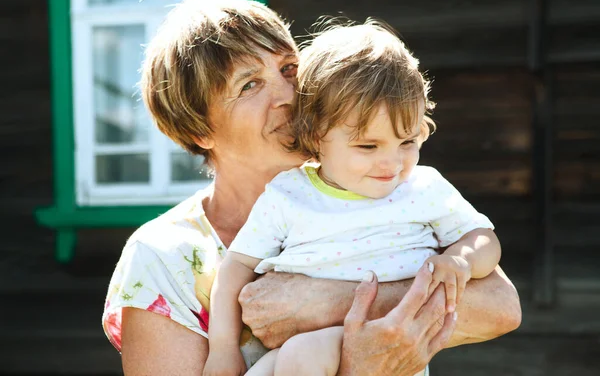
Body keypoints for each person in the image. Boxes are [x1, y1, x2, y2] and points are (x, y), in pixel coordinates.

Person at [101, 0, 522, 376]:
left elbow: (499, 308)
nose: (288, 94)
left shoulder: (384, 187)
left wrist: (332, 301)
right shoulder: (163, 257)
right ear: (199, 130)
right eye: (249, 84)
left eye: (288, 69)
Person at [203, 22, 502, 376]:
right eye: (368, 146)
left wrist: (462, 261)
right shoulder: (290, 194)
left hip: (385, 347)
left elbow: (482, 238)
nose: (392, 163)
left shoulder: (423, 189)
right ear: (316, 135)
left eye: (407, 141)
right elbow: (236, 266)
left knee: (303, 354)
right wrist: (222, 348)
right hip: (292, 351)